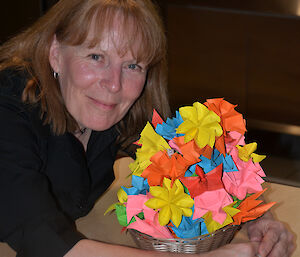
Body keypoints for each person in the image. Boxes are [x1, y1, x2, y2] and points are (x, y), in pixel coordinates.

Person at [0, 0, 294, 257]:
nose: (114, 84)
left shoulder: (123, 107)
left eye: (132, 66)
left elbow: (194, 158)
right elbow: (43, 240)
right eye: (95, 57)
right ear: (55, 53)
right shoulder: (8, 107)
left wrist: (256, 216)